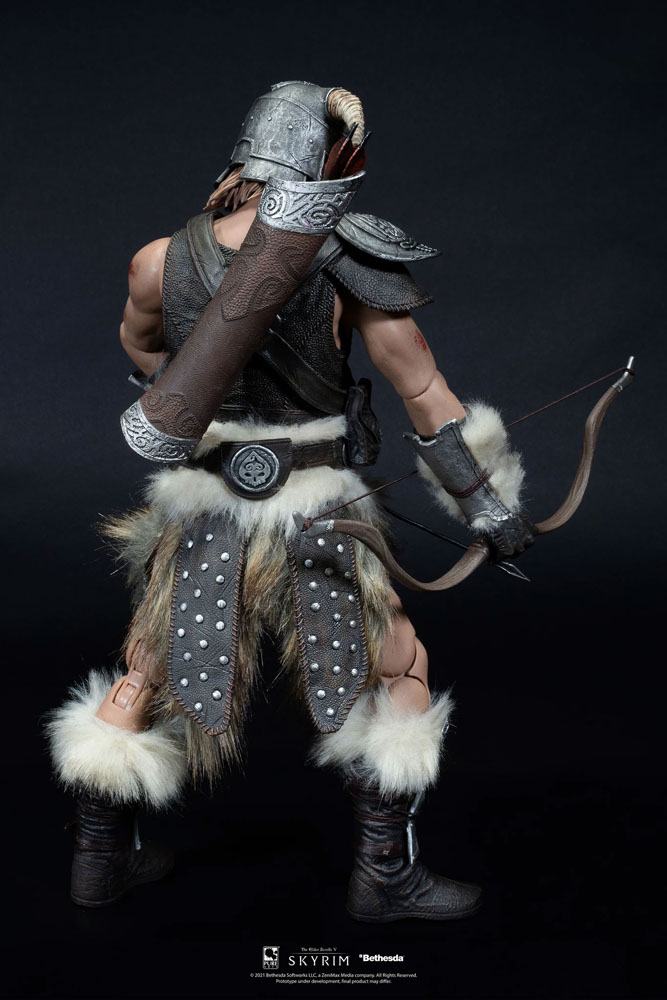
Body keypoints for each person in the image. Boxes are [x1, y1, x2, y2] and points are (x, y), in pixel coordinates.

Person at [47, 81, 534, 921]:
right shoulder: (349, 258)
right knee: (398, 668)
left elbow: (143, 356)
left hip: (205, 497)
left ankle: (99, 862)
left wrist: (217, 398)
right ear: (331, 159)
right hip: (315, 505)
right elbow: (423, 392)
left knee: (147, 669)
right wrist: (487, 506)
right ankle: (384, 876)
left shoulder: (160, 259)